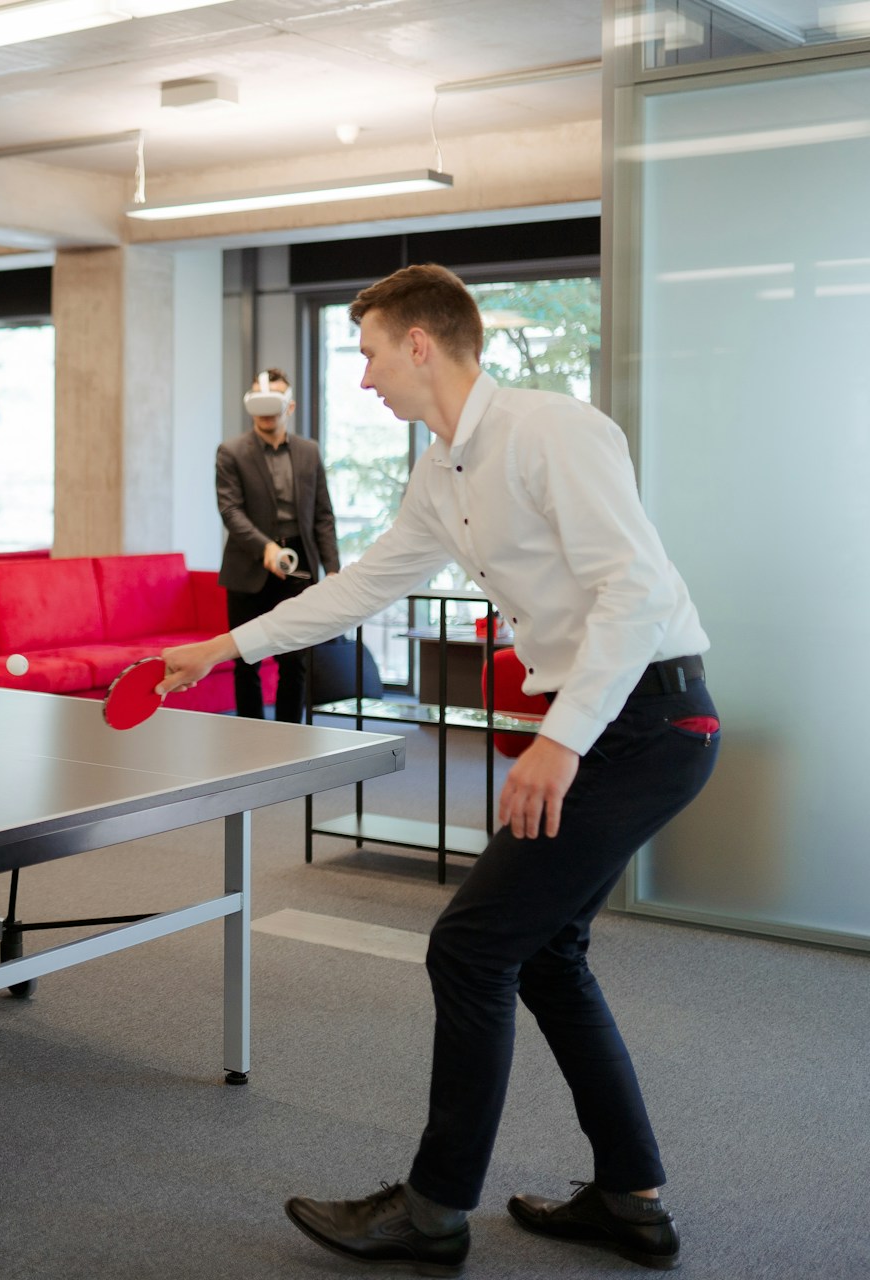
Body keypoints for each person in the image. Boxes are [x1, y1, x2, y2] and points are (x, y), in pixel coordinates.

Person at [161, 264, 716, 1275]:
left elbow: (634, 592)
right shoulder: (439, 473)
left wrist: (561, 739)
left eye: (369, 351)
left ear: (422, 343)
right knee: (544, 952)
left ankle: (433, 1207)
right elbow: (364, 586)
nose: (362, 375)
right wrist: (224, 648)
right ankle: (630, 1194)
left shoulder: (556, 431)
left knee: (469, 945)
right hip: (614, 723)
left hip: (648, 721)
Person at [215, 368, 339, 722]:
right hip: (248, 566)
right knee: (246, 658)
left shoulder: (308, 452)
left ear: (290, 406)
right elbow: (230, 510)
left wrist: (331, 570)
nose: (267, 409)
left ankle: (289, 737)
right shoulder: (231, 452)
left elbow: (323, 515)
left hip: (299, 563)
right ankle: (251, 736)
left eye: (275, 401)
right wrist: (265, 548)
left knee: (294, 658)